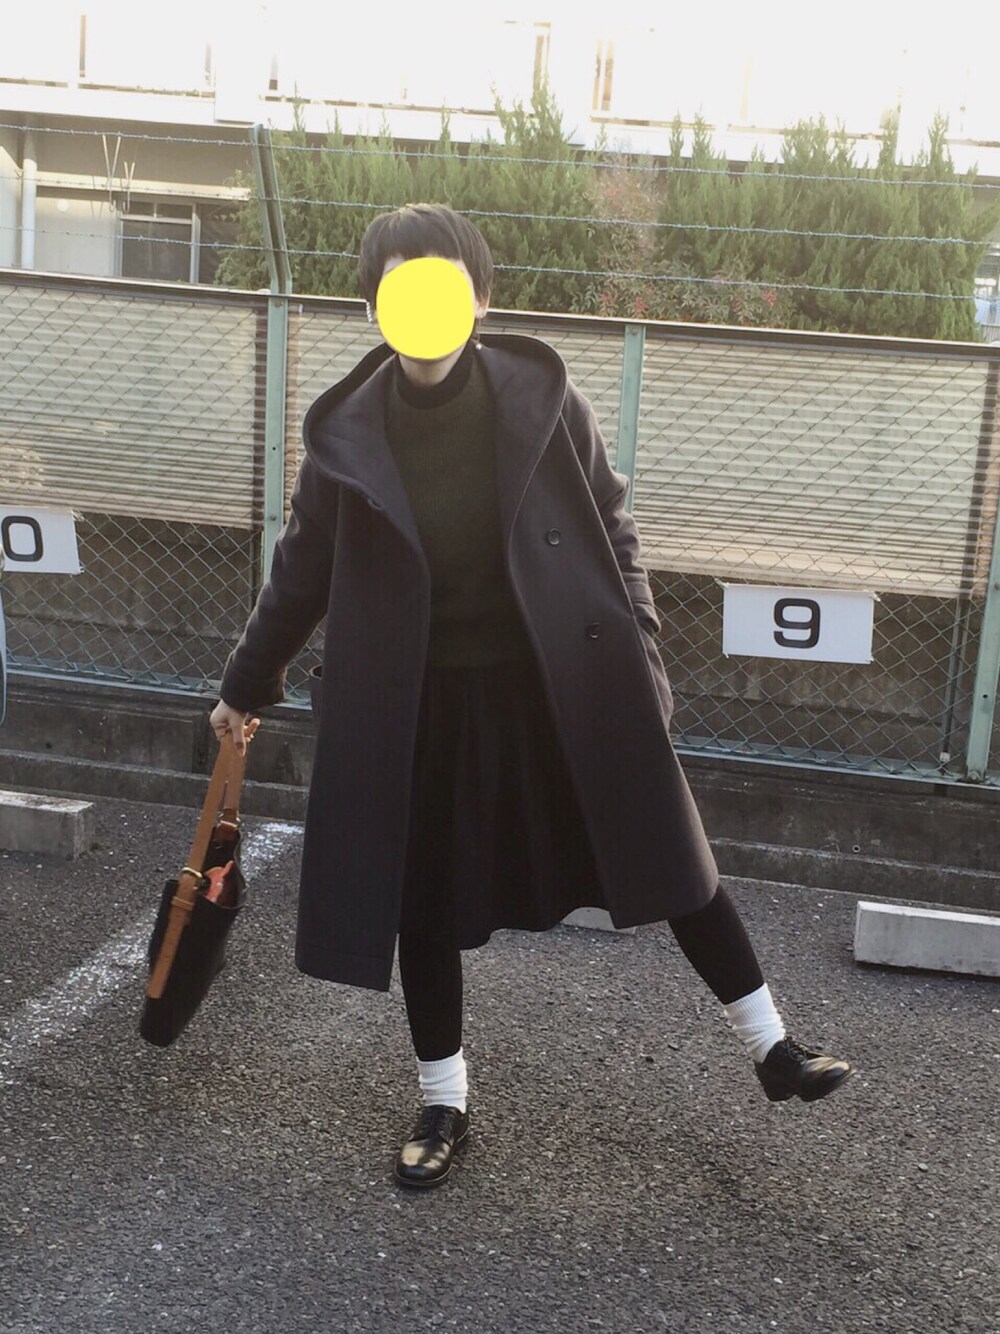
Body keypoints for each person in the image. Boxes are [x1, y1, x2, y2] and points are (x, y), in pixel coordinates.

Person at [210, 204, 852, 1190]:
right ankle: (443, 1099)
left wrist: (642, 649)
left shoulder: (543, 397)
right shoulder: (348, 438)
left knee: (668, 852)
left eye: (444, 283)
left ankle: (773, 1047)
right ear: (372, 305)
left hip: (559, 683)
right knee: (423, 901)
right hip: (419, 702)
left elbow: (612, 524)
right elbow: (299, 574)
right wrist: (245, 685)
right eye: (401, 286)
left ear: (480, 296)